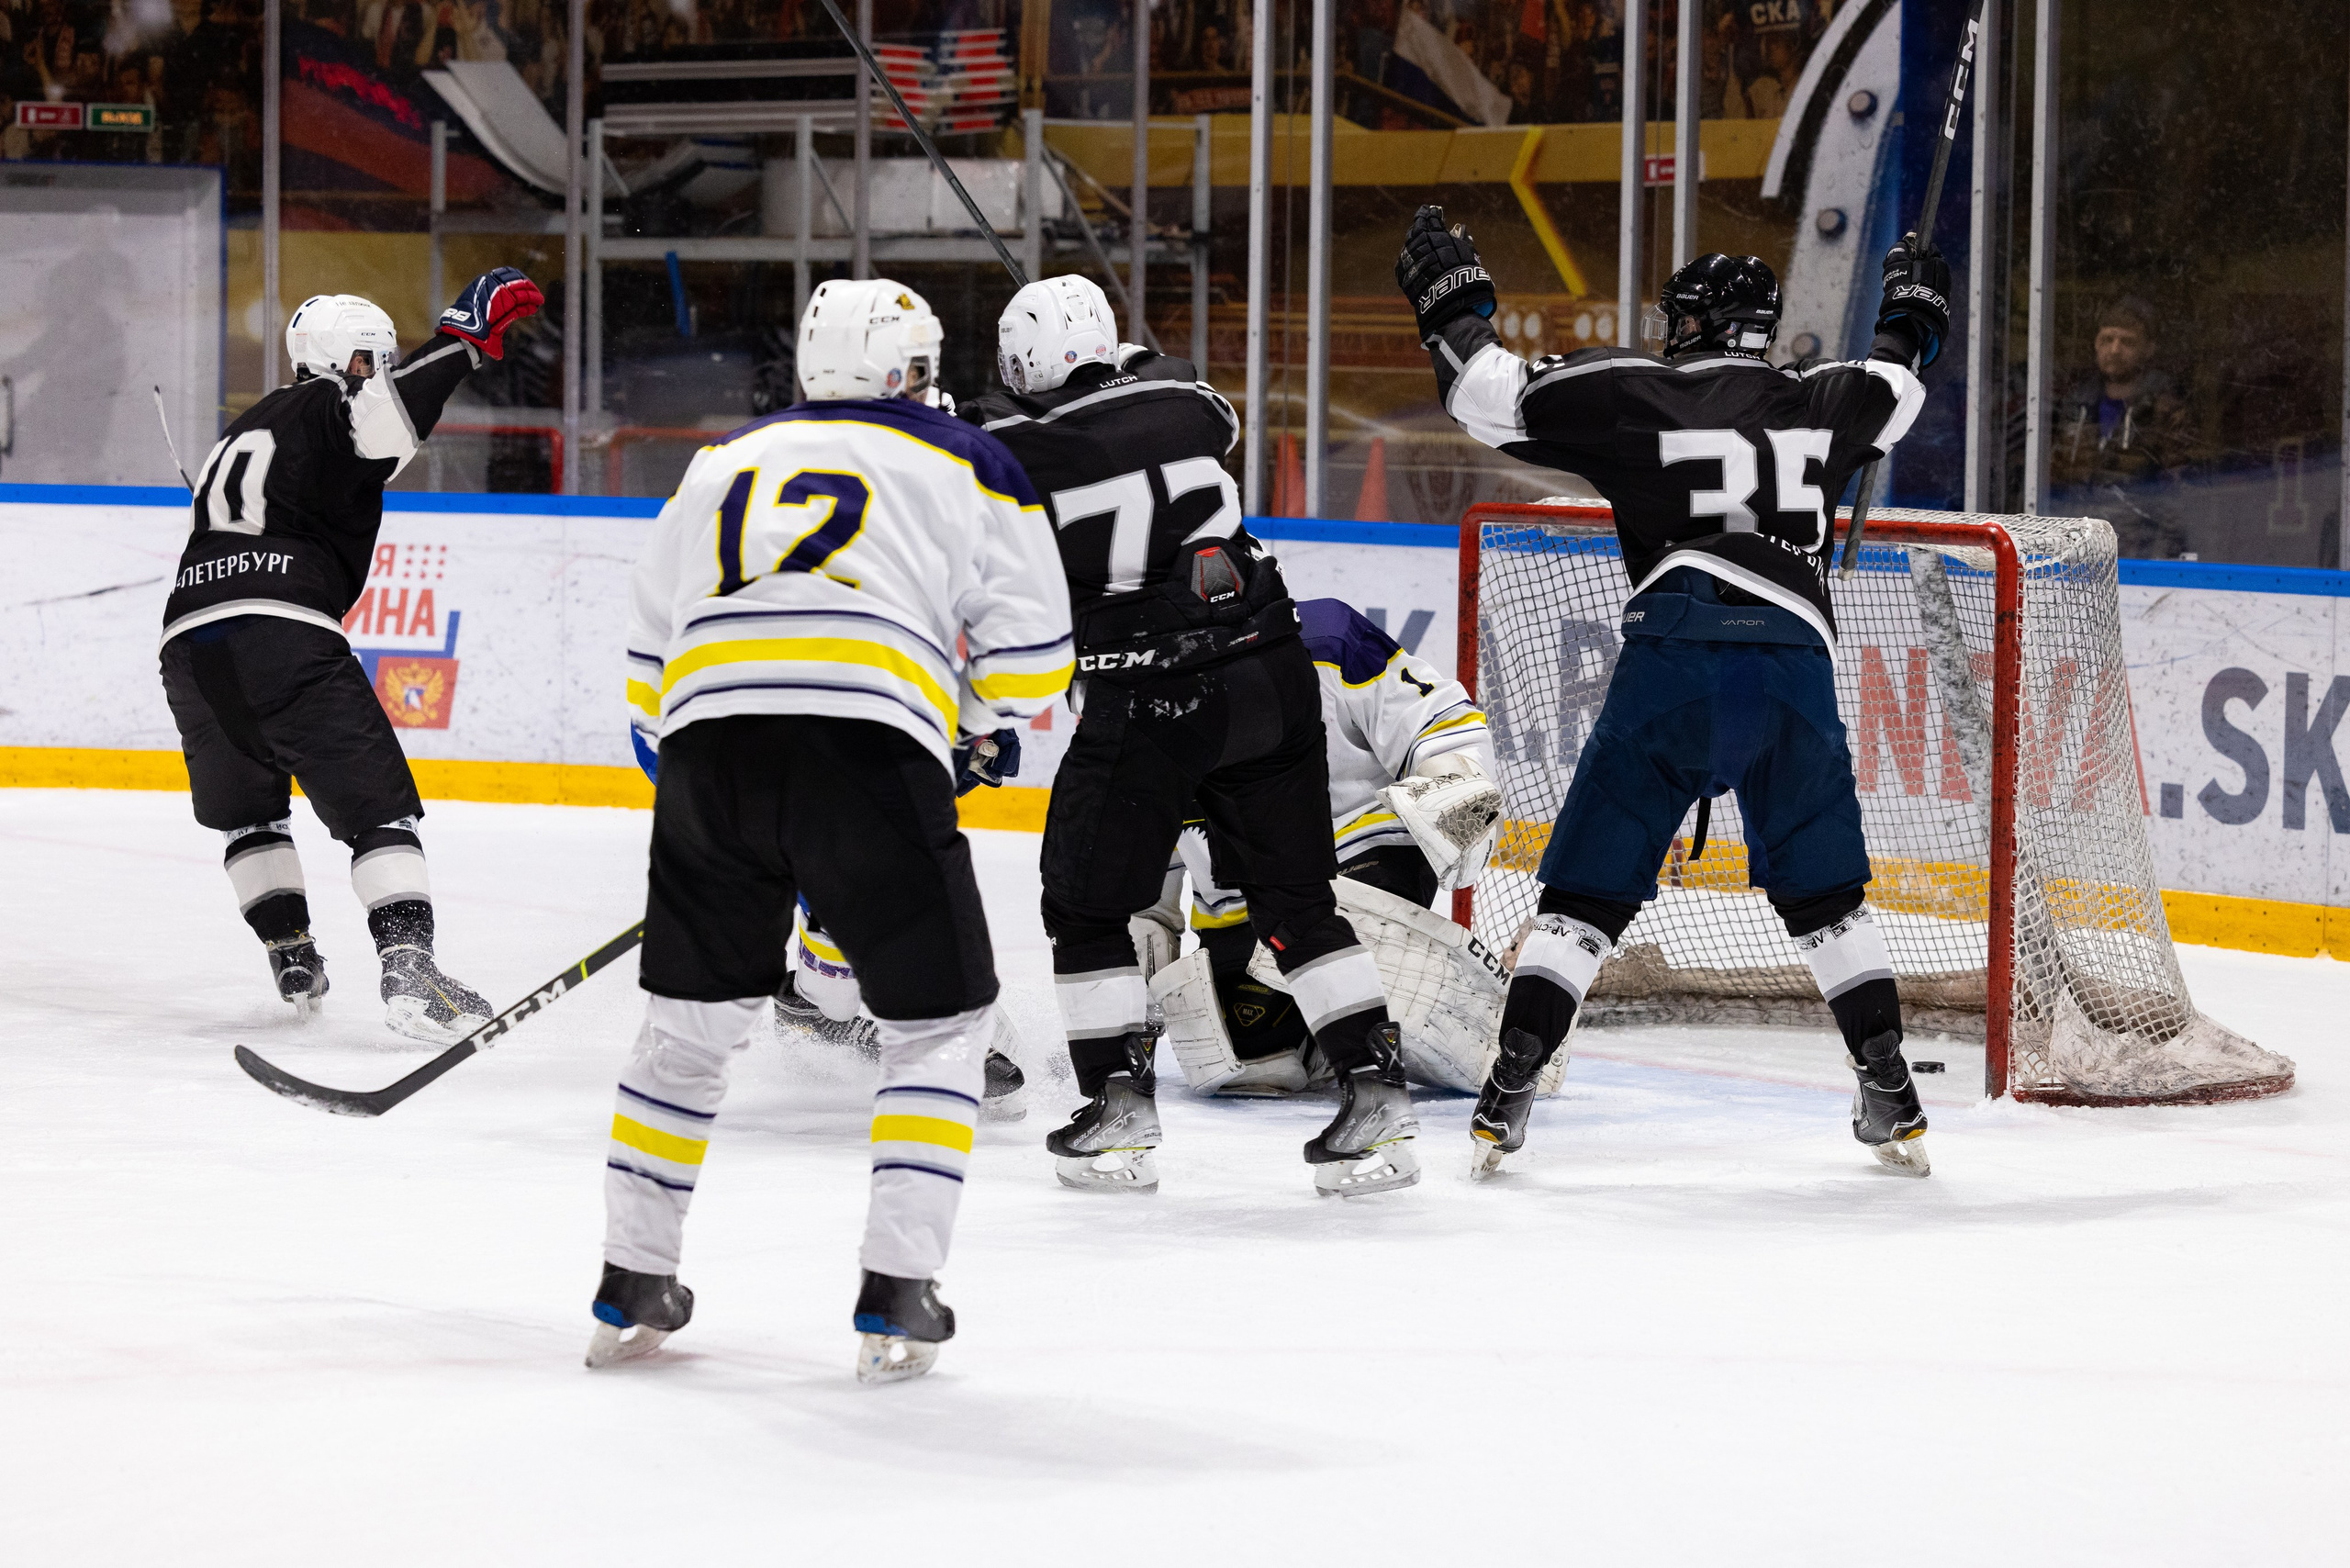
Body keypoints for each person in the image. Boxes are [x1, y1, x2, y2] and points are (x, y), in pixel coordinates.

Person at [1396, 206, 1947, 1181]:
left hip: (1673, 662)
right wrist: (1912, 314)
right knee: (1827, 901)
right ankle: (1888, 1086)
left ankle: (1509, 1084)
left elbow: (1483, 394)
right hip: (1791, 669)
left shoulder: (1634, 389)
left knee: (1580, 898)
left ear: (1690, 323)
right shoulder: (1830, 396)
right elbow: (1899, 384)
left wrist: (1456, 303)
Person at [591, 278, 1071, 1383]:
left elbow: (646, 668)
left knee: (686, 1032)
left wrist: (719, 802)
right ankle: (896, 1293)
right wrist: (971, 724)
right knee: (940, 1026)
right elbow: (1037, 660)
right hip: (866, 746)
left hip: (707, 749)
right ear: (910, 369)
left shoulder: (717, 463)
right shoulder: (966, 457)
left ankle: (630, 1282)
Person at [959, 274, 1419, 1200]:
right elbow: (1196, 405)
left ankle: (1118, 1108)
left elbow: (973, 450)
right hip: (1273, 672)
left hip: (1156, 690)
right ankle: (1377, 1094)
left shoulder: (1009, 446)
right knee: (1295, 899)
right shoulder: (1183, 401)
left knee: (1086, 909)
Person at [158, 271, 543, 1044]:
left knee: (249, 814)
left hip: (187, 642)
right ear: (339, 360)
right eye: (372, 359)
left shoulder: (241, 432)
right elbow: (388, 425)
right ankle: (410, 969)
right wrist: (461, 340)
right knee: (379, 813)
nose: (380, 373)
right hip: (282, 631)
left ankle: (291, 953)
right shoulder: (332, 407)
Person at [1140, 597, 1499, 1095]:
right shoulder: (1144, 694)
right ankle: (1316, 1027)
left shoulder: (1330, 640)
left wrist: (1454, 776)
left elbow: (1441, 721)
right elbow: (1143, 846)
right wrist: (1146, 921)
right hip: (1243, 900)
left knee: (1352, 972)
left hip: (1362, 862)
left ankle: (1363, 1011)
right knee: (1256, 1059)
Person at [2048, 296, 2196, 559]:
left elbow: (2179, 497)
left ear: (2149, 349)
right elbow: (2056, 483)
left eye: (2127, 342)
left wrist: (2161, 562)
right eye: (2107, 339)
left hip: (2140, 559)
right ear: (2095, 344)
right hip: (2077, 554)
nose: (2114, 350)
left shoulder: (2165, 408)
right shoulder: (2077, 405)